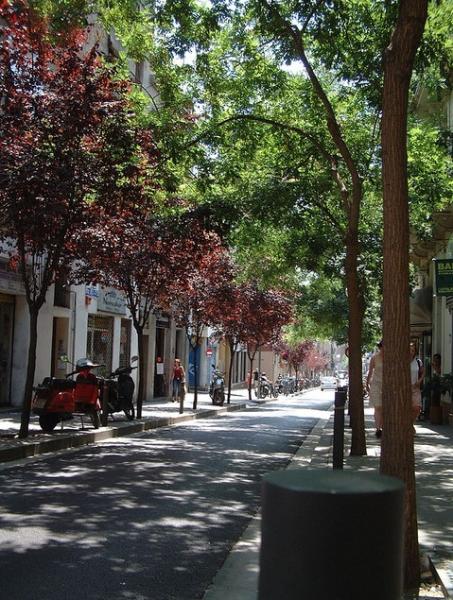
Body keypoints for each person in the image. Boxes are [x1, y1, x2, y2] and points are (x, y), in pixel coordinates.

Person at [366, 341, 383, 438]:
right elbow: (370, 371)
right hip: (376, 384)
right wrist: (367, 383)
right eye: (382, 347)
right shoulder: (374, 358)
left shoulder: (391, 357)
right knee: (378, 407)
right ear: (380, 347)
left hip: (387, 385)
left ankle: (382, 426)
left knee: (384, 408)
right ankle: (378, 429)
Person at [410, 342, 424, 422]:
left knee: (417, 407)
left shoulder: (418, 361)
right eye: (409, 350)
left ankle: (410, 423)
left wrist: (419, 381)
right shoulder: (402, 361)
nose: (411, 352)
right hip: (405, 388)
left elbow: (423, 372)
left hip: (415, 387)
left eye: (412, 350)